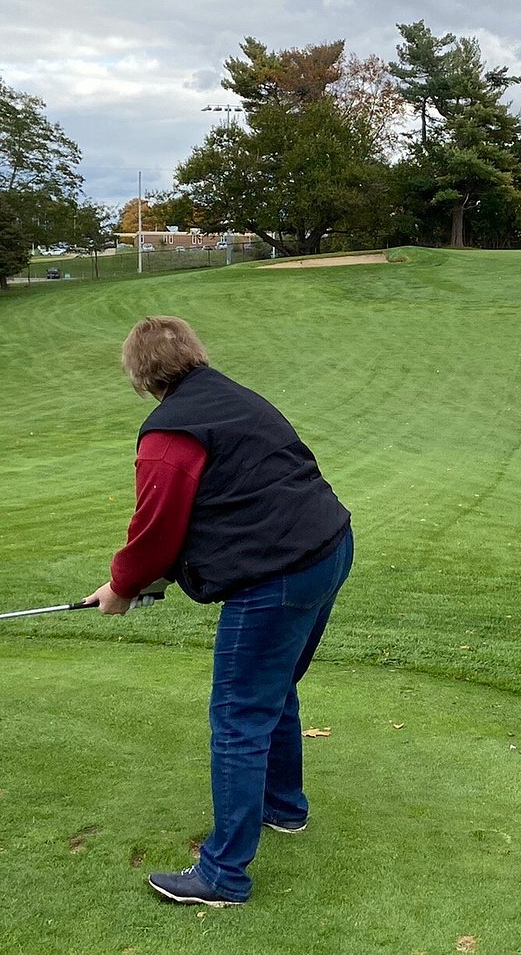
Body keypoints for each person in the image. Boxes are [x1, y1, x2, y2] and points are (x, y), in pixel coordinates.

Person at [85, 316, 353, 907]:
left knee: (238, 714)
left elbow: (155, 533)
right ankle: (284, 808)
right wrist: (131, 582)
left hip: (279, 571)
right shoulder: (232, 396)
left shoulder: (168, 433)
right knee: (273, 686)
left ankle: (223, 875)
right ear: (193, 354)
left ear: (138, 375)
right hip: (329, 547)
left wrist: (123, 586)